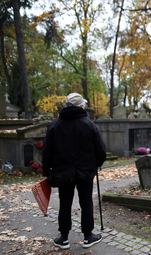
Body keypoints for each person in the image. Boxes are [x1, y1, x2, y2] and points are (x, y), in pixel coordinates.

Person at [42, 93, 106, 249]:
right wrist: (96, 164)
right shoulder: (89, 125)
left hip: (63, 172)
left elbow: (47, 151)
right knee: (86, 202)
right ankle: (88, 236)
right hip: (85, 171)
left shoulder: (55, 124)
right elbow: (101, 151)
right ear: (81, 106)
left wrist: (47, 170)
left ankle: (63, 237)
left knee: (65, 203)